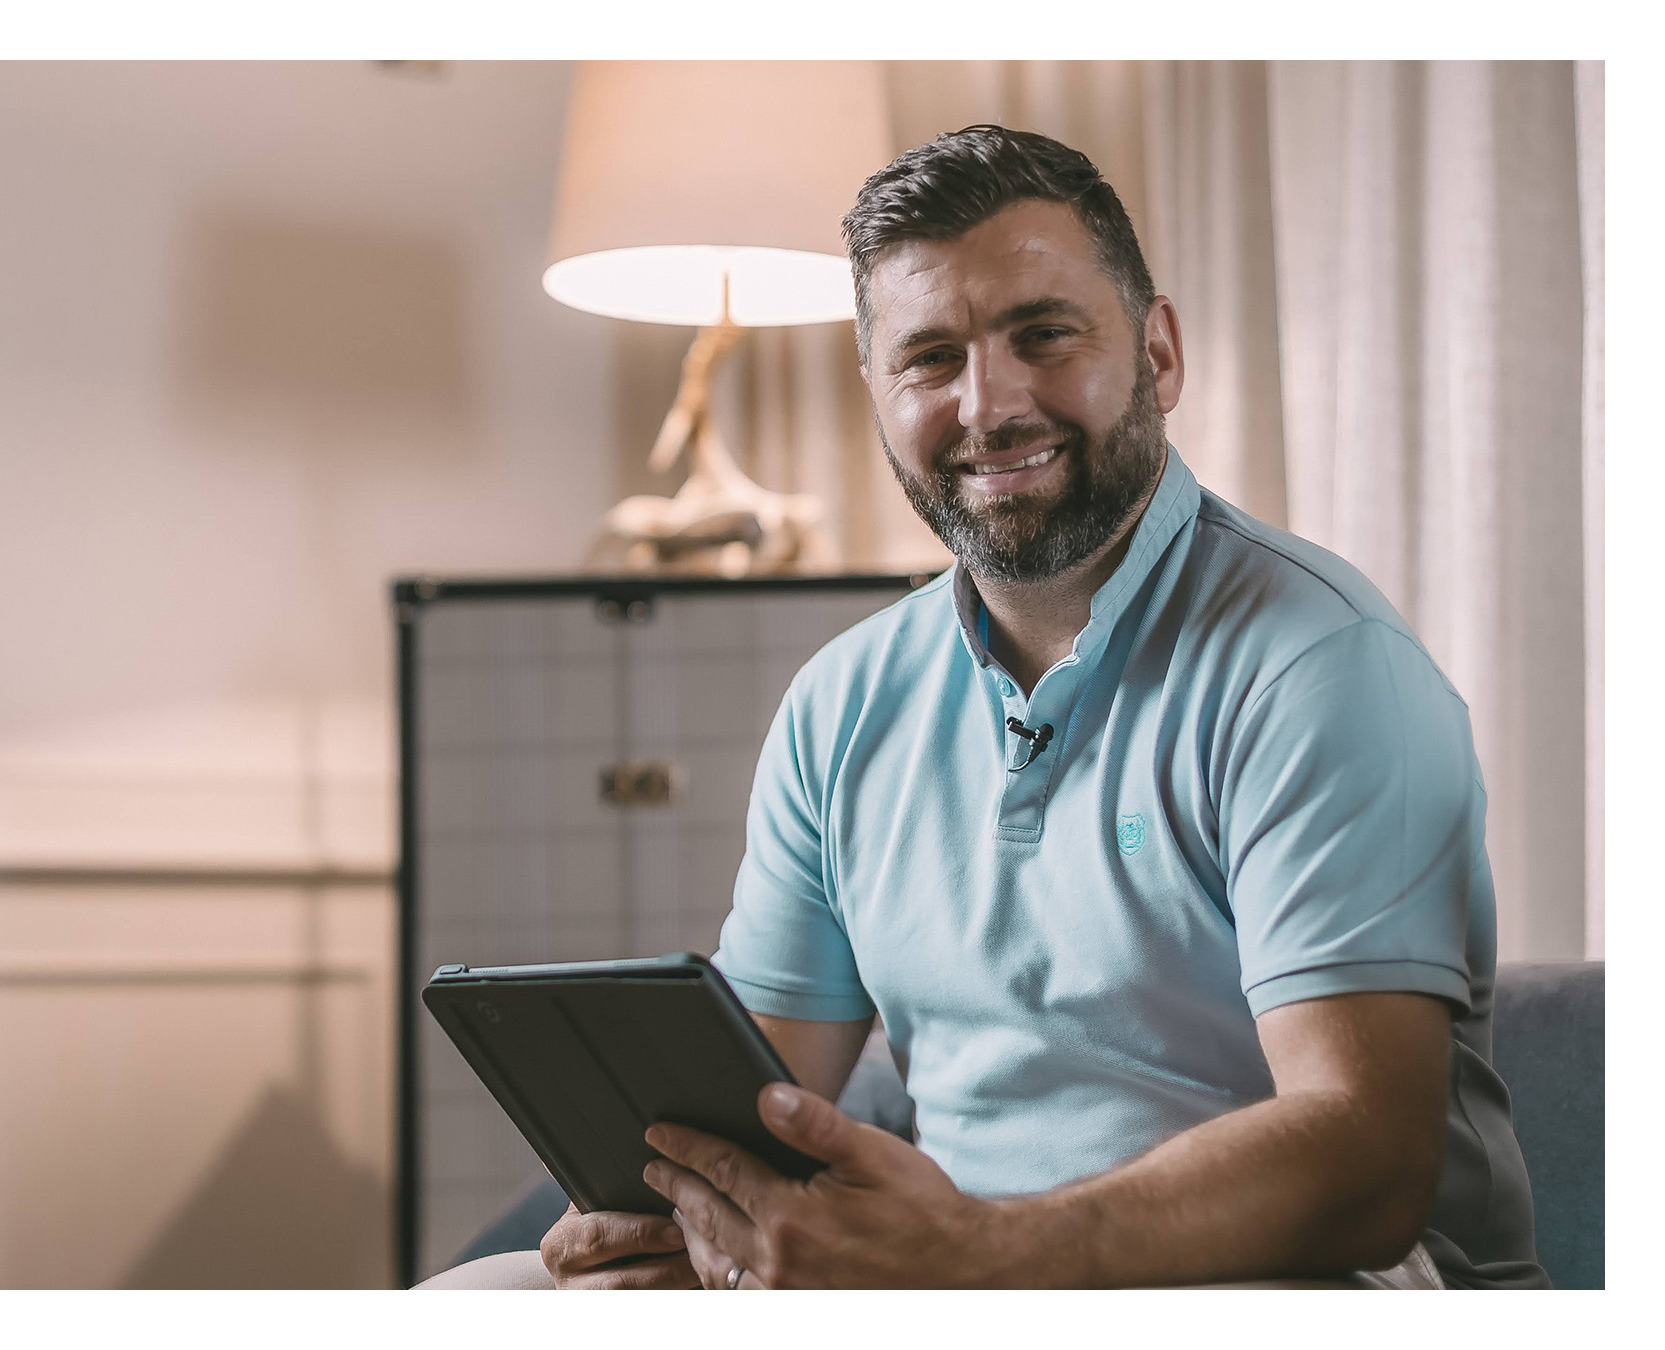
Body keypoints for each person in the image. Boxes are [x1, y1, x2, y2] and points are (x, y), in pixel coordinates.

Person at [425, 125, 1547, 1290]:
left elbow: (1368, 1164)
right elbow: (756, 1112)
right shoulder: (840, 704)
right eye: (930, 359)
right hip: (961, 1281)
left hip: (1321, 1288)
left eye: (1042, 335)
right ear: (878, 396)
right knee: (472, 1299)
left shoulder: (1321, 665)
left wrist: (975, 1255)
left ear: (1159, 355)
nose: (990, 404)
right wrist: (685, 1226)